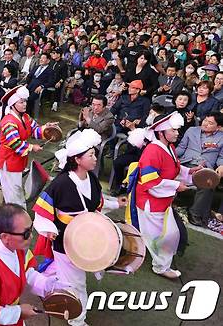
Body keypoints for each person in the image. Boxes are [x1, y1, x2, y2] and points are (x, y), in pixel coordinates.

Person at [32, 129, 126, 326]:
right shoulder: (60, 184)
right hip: (65, 241)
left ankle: (46, 286)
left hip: (87, 239)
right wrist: (48, 228)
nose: (95, 158)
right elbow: (41, 212)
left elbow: (97, 203)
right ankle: (76, 319)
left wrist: (116, 203)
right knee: (76, 283)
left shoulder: (91, 178)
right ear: (77, 159)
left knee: (73, 279)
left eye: (94, 154)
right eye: (91, 155)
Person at [126, 112, 202, 279]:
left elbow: (173, 169)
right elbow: (150, 182)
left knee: (162, 235)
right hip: (151, 202)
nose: (177, 133)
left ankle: (141, 253)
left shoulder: (169, 147)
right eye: (173, 130)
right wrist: (176, 186)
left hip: (160, 200)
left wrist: (190, 172)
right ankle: (161, 267)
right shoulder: (153, 151)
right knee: (163, 237)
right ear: (161, 132)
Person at [0, 204, 62, 325]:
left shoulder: (16, 245)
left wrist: (48, 286)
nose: (31, 236)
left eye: (31, 229)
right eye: (26, 233)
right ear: (5, 237)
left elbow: (25, 271)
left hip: (10, 314)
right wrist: (18, 312)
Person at [0, 85, 58, 207]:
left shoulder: (25, 117)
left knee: (15, 187)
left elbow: (35, 130)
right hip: (9, 159)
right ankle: (16, 212)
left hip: (17, 158)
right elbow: (15, 143)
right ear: (13, 104)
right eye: (21, 102)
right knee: (13, 189)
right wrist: (32, 147)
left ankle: (16, 211)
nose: (24, 104)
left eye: (25, 101)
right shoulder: (8, 121)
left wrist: (47, 129)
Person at [176, 112, 223, 227]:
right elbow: (181, 147)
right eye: (205, 120)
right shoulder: (192, 130)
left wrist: (222, 165)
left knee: (208, 184)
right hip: (186, 164)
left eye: (210, 123)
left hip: (204, 168)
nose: (206, 124)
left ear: (219, 127)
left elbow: (221, 157)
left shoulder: (222, 138)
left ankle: (195, 213)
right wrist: (170, 156)